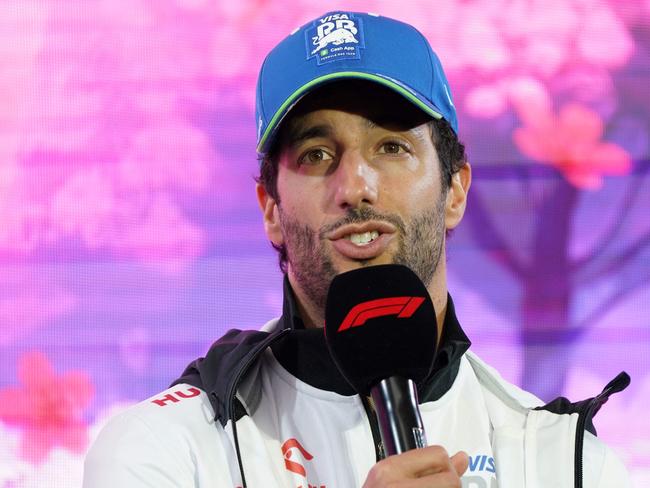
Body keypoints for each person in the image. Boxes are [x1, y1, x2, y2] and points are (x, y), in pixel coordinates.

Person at [83, 11, 631, 487]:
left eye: (391, 146)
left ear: (455, 190)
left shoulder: (568, 462)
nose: (355, 186)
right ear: (271, 208)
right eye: (318, 154)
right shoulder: (165, 448)